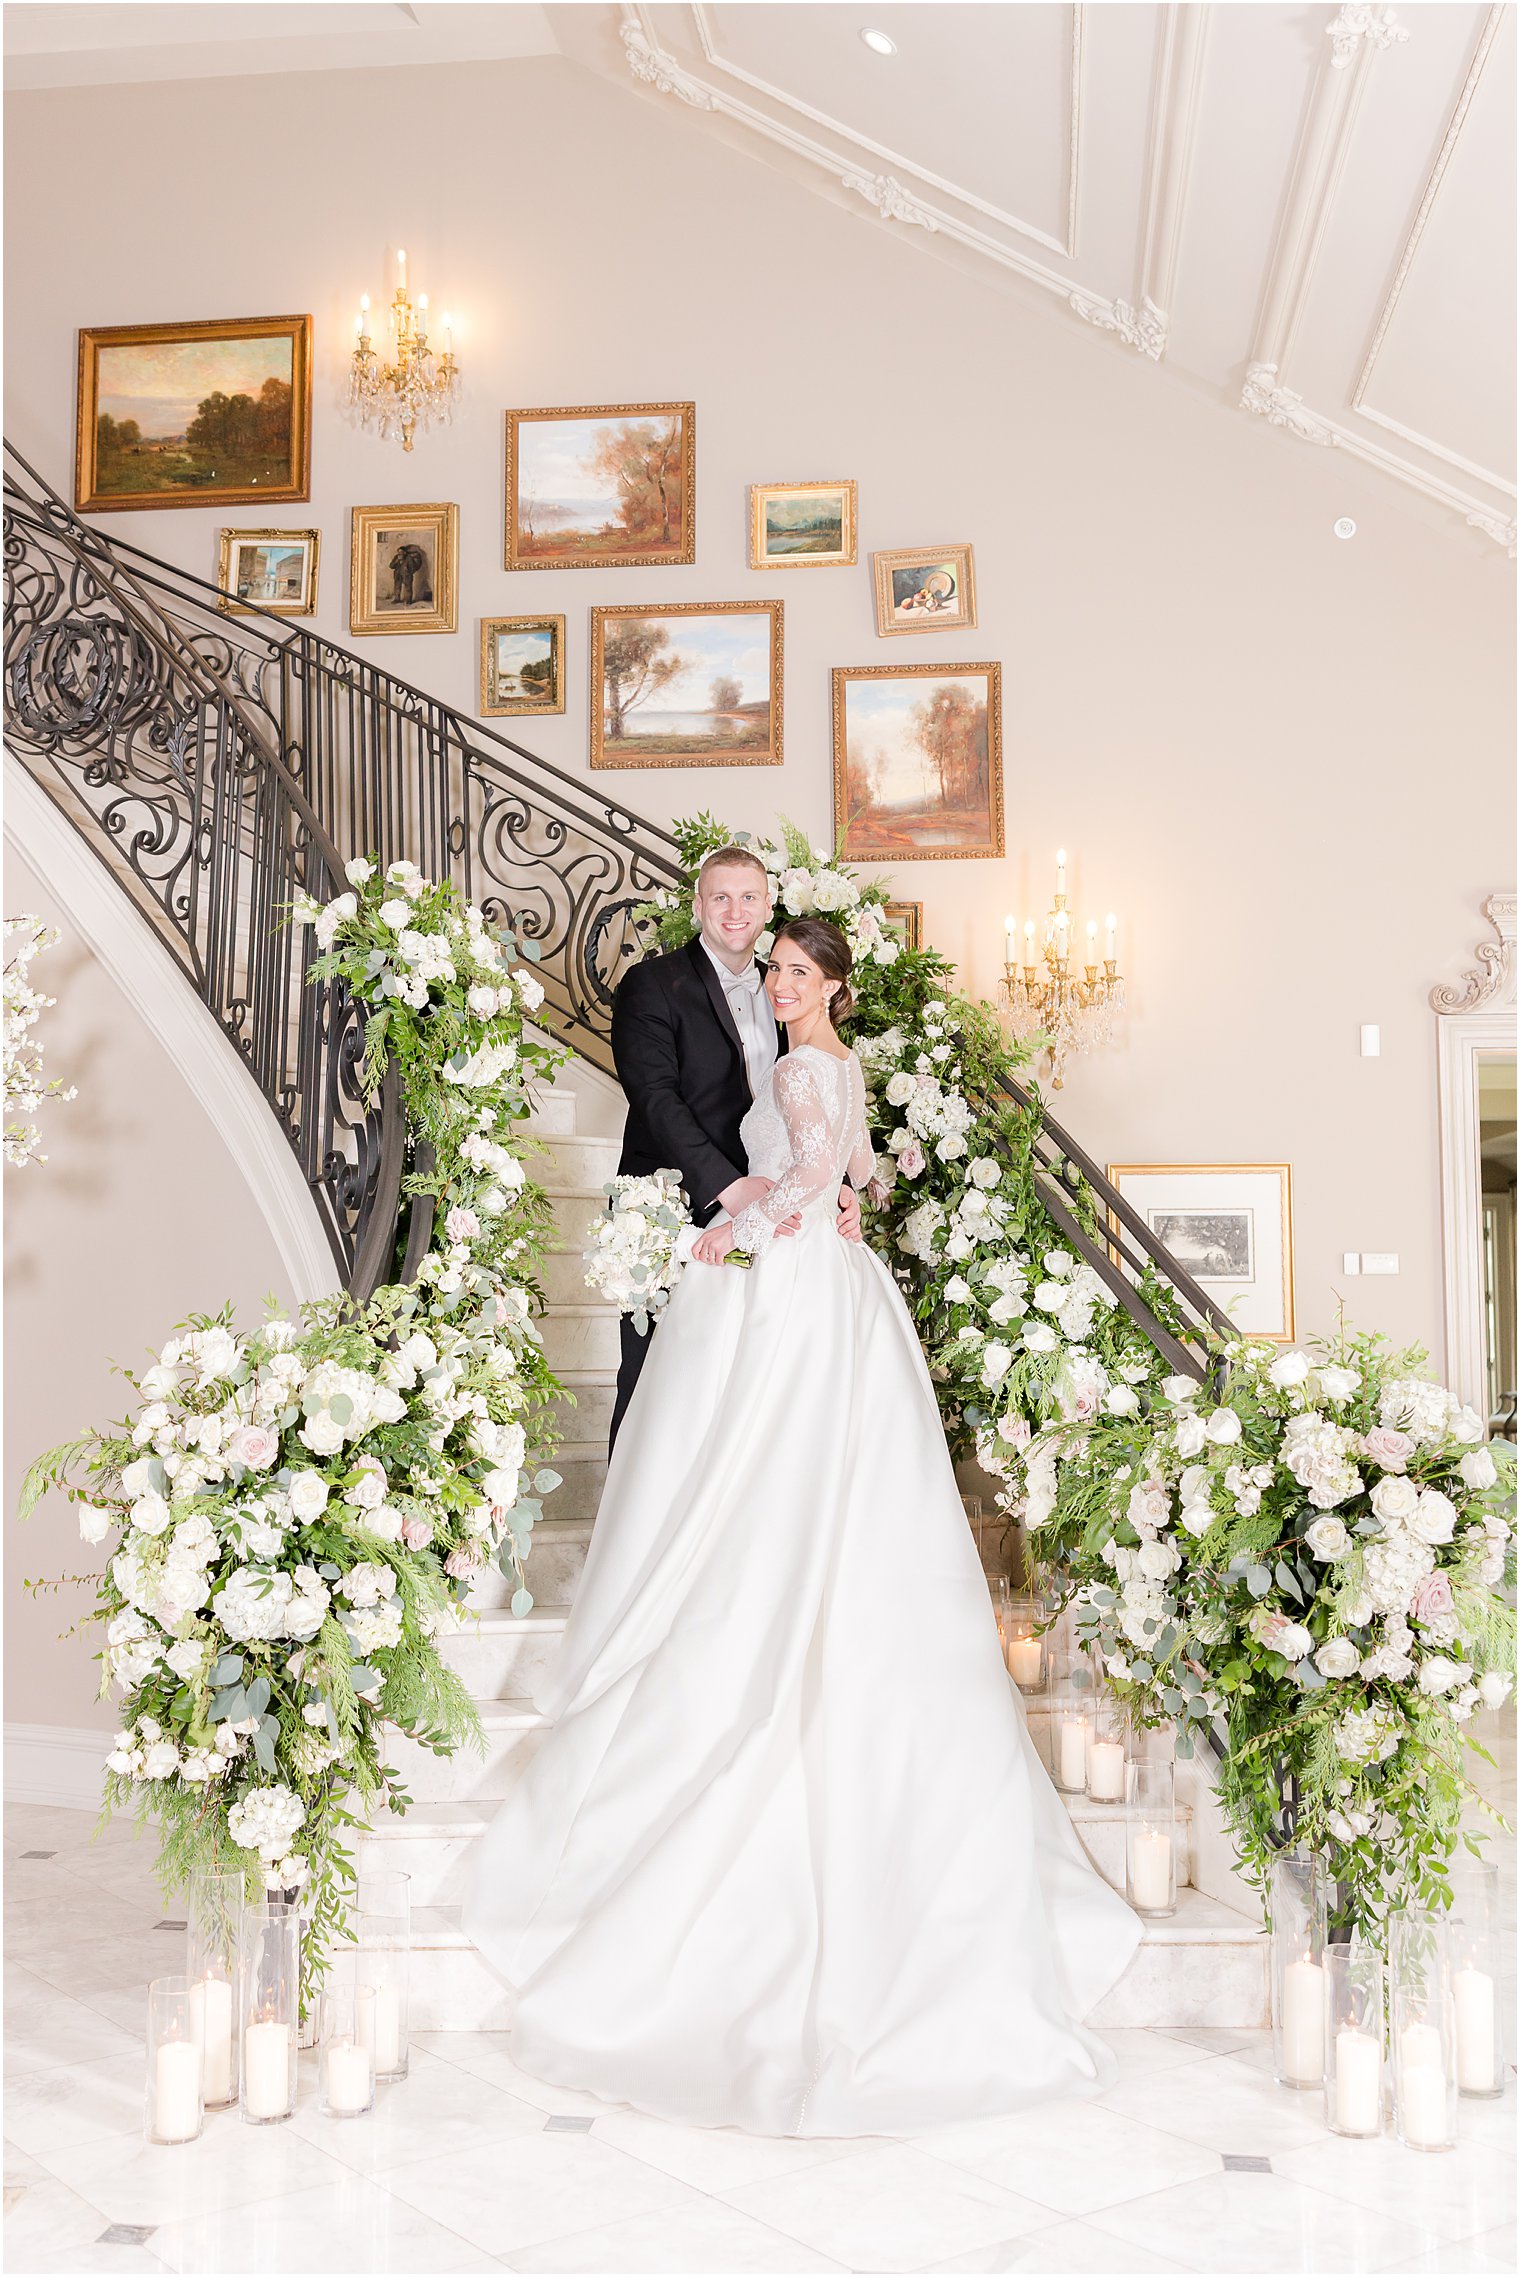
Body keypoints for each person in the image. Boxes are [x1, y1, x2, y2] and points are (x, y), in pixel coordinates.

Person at [463, 915, 1142, 2137]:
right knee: (788, 1465)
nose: (772, 982)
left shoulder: (795, 1066)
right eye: (766, 967)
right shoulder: (836, 1062)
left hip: (787, 1281)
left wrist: (734, 1224)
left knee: (756, 1460)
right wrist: (818, 1206)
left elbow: (810, 1175)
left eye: (790, 970)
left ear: (828, 984)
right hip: (829, 1281)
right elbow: (860, 1177)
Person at [604, 844, 860, 1449]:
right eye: (720, 896)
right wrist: (730, 1186)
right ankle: (634, 1534)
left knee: (739, 1393)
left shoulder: (785, 988)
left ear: (768, 905)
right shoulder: (652, 984)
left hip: (770, 1217)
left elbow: (807, 1115)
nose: (734, 910)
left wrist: (835, 1188)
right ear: (699, 905)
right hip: (673, 1203)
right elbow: (655, 1098)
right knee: (654, 1383)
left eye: (748, 897)